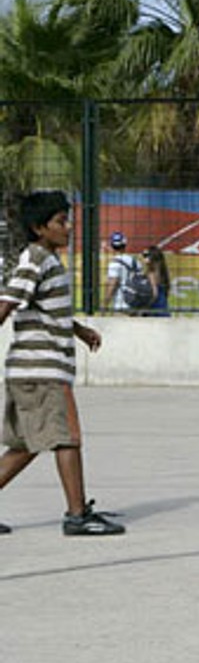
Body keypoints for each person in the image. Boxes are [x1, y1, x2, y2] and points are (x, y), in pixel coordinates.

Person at [0, 191, 124, 535]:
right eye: (60, 221)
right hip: (42, 371)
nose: (68, 227)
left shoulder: (48, 260)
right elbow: (7, 303)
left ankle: (78, 511)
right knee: (67, 437)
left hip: (34, 370)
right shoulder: (35, 258)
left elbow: (46, 310)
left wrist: (79, 330)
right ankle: (77, 515)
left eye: (67, 220)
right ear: (39, 228)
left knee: (26, 445)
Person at [104, 231, 142, 312]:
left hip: (121, 304)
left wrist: (104, 304)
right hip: (137, 303)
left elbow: (112, 285)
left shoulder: (114, 264)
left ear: (111, 246)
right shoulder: (136, 262)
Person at [141, 245, 172, 317]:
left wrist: (144, 308)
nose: (143, 258)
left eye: (145, 255)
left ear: (151, 257)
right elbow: (166, 292)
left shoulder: (151, 273)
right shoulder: (163, 272)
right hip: (163, 309)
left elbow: (154, 294)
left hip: (155, 311)